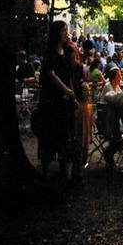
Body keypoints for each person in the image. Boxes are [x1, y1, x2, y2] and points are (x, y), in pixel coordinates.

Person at [37, 20, 79, 182]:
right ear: (57, 32)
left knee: (67, 135)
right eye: (63, 30)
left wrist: (72, 95)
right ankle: (46, 171)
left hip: (64, 100)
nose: (66, 32)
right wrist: (65, 90)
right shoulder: (50, 52)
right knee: (49, 134)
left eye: (66, 30)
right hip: (51, 100)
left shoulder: (67, 51)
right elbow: (51, 74)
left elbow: (68, 76)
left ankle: (66, 174)